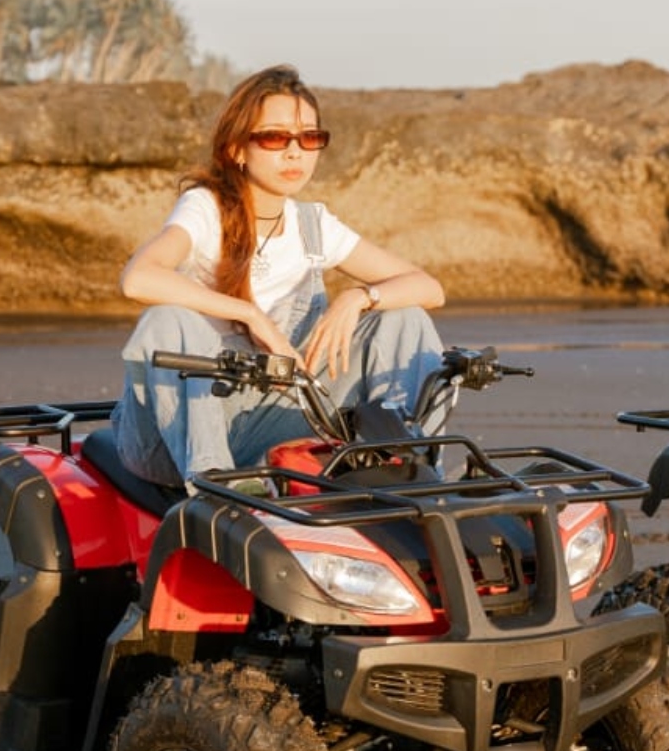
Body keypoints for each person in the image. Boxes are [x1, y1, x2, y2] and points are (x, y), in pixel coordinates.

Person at [112, 64, 449, 486]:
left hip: (278, 413)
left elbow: (429, 288)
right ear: (237, 148)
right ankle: (216, 486)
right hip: (175, 434)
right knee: (167, 319)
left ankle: (412, 468)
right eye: (274, 138)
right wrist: (251, 317)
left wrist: (358, 297)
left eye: (310, 138)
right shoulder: (205, 208)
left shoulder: (313, 224)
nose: (295, 153)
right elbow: (138, 279)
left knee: (405, 317)